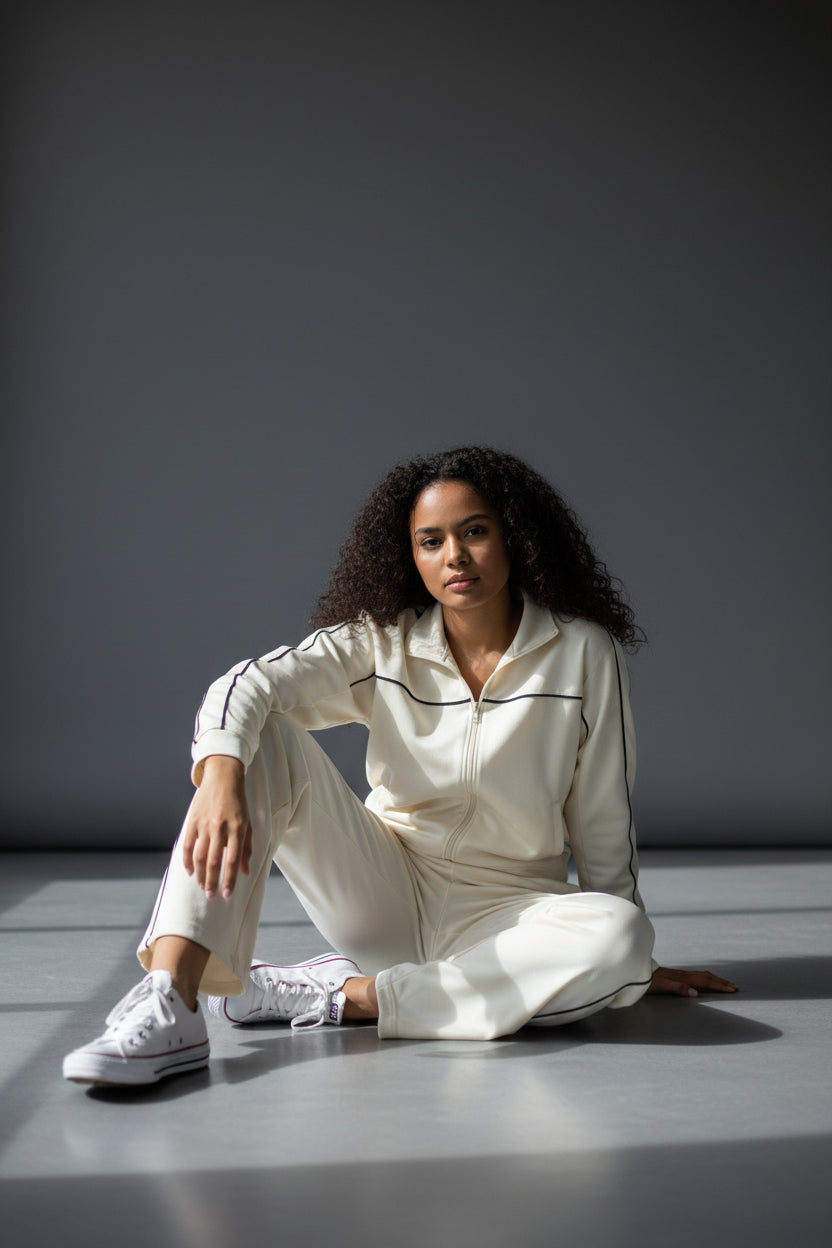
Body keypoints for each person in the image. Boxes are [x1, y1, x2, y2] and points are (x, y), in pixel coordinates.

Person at [63, 445, 737, 1085]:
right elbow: (249, 682)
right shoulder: (382, 642)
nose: (455, 557)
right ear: (410, 555)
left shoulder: (583, 652)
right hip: (379, 888)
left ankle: (343, 996)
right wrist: (218, 772)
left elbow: (602, 814)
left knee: (620, 936)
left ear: (514, 536)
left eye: (474, 531)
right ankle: (172, 1001)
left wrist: (629, 962)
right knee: (259, 737)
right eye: (431, 541)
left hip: (505, 911)